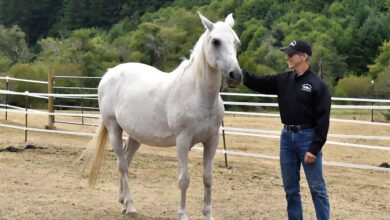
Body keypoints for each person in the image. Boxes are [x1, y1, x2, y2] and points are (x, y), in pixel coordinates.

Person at [242, 40, 331, 220]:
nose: (287, 57)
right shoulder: (284, 80)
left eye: (291, 54)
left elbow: (323, 120)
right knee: (290, 189)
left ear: (304, 56)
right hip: (286, 139)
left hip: (308, 138)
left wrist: (314, 148)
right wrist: (238, 72)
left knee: (317, 188)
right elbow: (260, 82)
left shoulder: (317, 85)